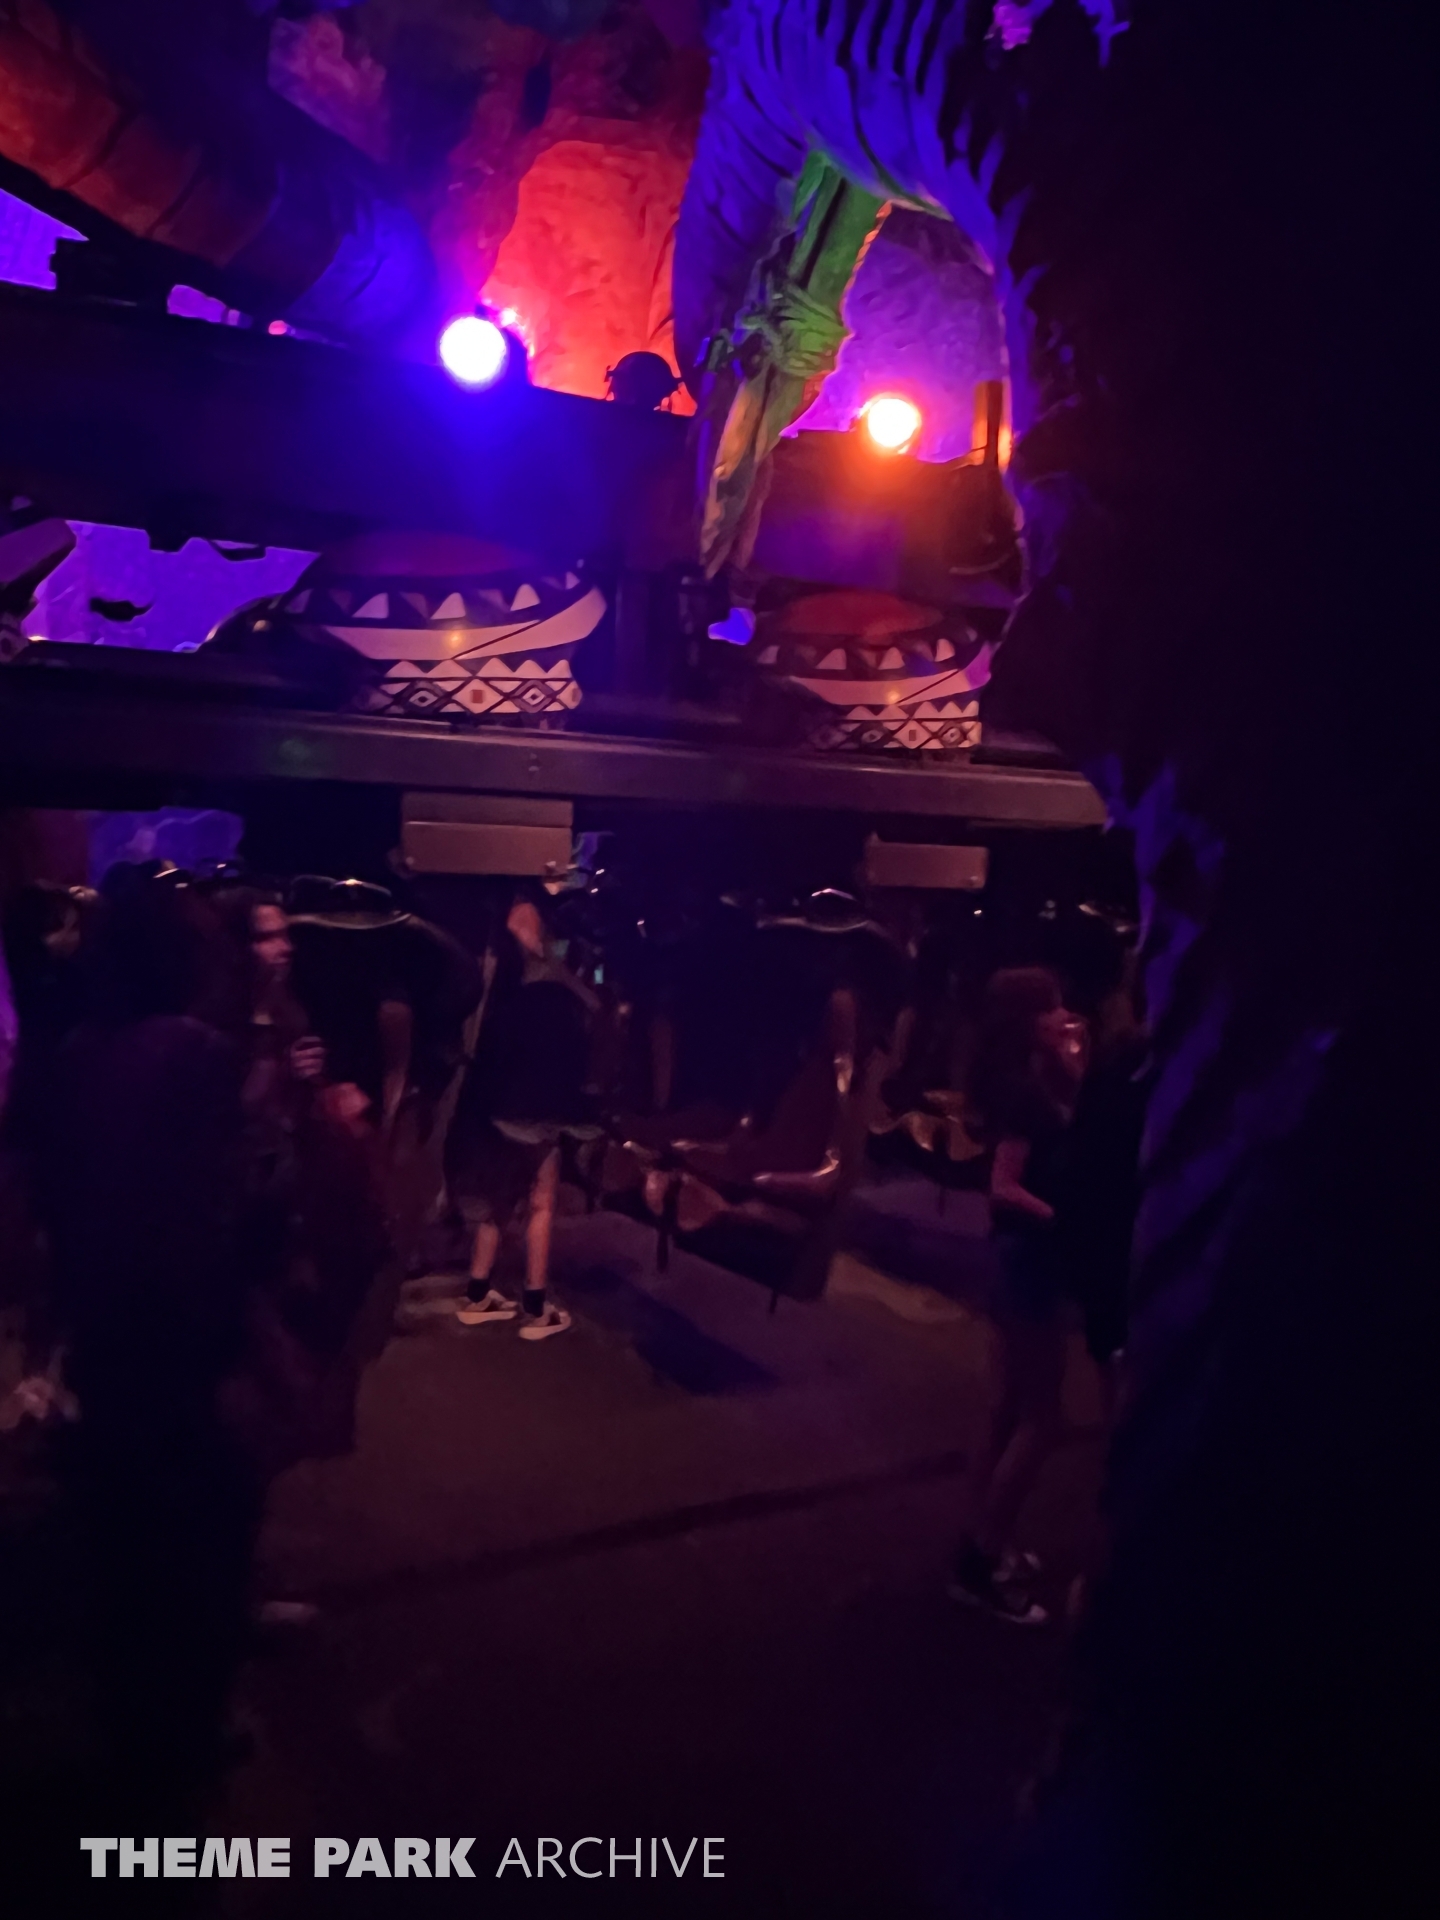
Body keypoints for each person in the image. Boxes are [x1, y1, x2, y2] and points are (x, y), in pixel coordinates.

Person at [37, 866, 256, 1802]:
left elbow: (56, 1190)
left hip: (101, 1321)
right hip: (175, 1330)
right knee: (197, 1539)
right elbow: (211, 1211)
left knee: (120, 1542)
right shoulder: (198, 1053)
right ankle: (184, 1743)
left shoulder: (78, 1050)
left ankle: (126, 1732)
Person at [949, 967, 1087, 1626]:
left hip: (1015, 1259)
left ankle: (979, 1540)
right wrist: (1065, 1218)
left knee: (1006, 1410)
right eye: (1054, 1008)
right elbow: (1003, 1187)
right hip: (1029, 1261)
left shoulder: (1024, 1080)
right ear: (1029, 1018)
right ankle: (982, 1562)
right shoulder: (1025, 1095)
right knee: (1043, 1418)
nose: (1066, 1015)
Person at [447, 888, 600, 1341]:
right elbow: (575, 1059)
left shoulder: (504, 995)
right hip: (540, 1113)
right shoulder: (560, 996)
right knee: (541, 1204)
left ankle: (477, 1295)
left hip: (501, 1111)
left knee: (497, 1203)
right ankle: (535, 1306)